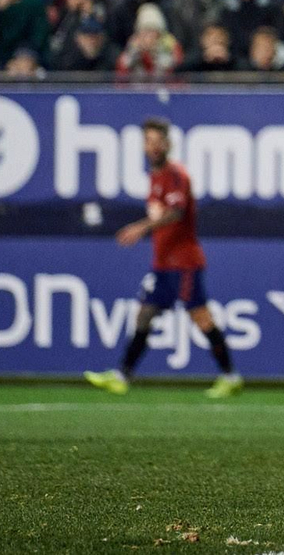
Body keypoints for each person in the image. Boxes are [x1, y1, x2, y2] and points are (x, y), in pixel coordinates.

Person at [85, 118, 243, 399]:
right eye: (148, 141)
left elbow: (177, 212)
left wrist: (140, 227)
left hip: (183, 263)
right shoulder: (155, 177)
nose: (153, 147)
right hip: (163, 264)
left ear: (168, 144)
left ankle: (230, 376)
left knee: (202, 319)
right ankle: (122, 375)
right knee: (144, 314)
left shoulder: (176, 175)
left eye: (158, 142)